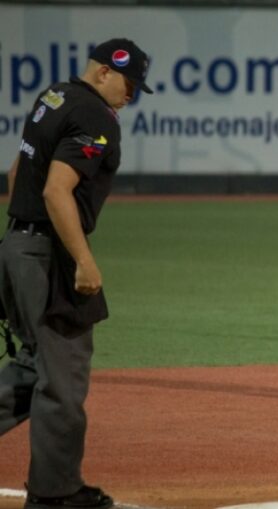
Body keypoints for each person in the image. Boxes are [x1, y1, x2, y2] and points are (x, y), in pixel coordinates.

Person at [0, 38, 153, 509]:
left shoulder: (55, 96)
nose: (132, 94)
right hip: (47, 256)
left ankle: (57, 485)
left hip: (17, 245)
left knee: (33, 364)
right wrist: (83, 260)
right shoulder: (93, 116)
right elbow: (56, 191)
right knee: (63, 377)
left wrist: (20, 247)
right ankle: (55, 493)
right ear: (106, 71)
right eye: (128, 83)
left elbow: (15, 175)